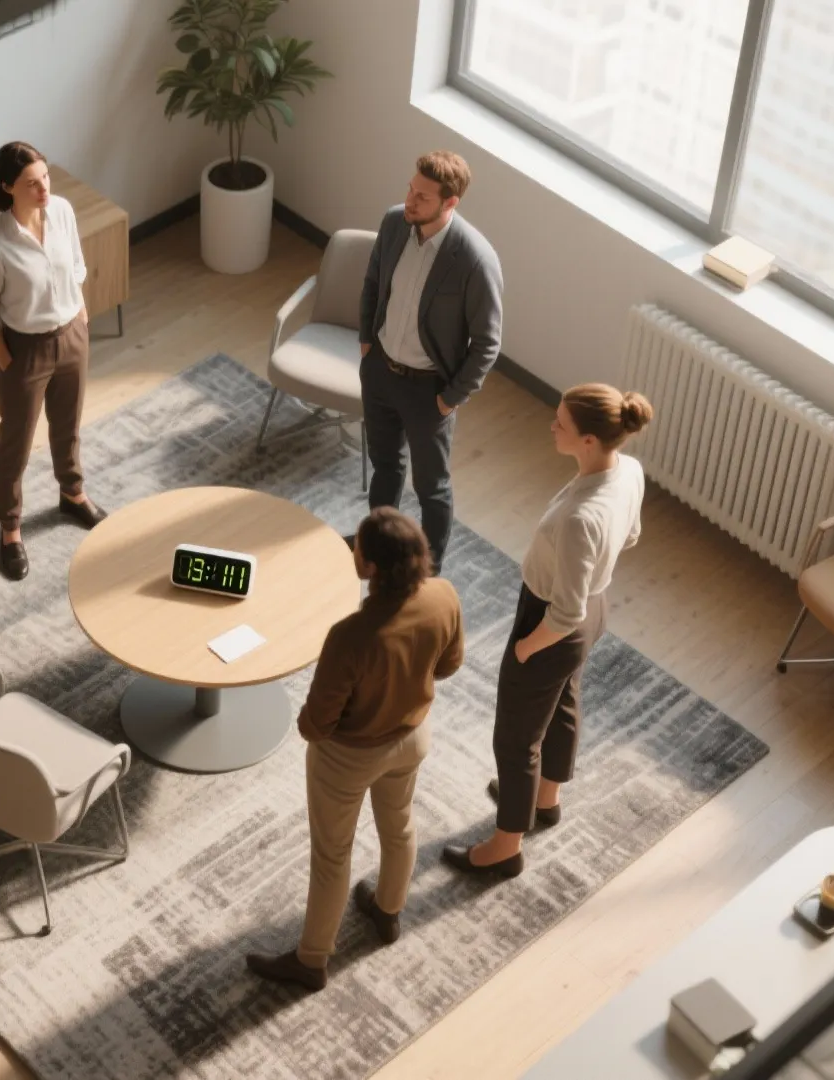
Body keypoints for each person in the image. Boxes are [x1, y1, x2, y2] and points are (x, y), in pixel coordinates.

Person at [246, 508, 465, 992]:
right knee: (399, 824)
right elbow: (449, 665)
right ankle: (388, 911)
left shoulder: (349, 636)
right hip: (412, 739)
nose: (353, 549)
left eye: (358, 546)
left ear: (370, 566)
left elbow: (315, 725)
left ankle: (311, 961)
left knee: (332, 855)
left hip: (348, 759)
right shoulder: (444, 595)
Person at [445, 384, 651, 877]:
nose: (552, 426)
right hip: (596, 609)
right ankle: (546, 799)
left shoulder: (581, 518)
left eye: (561, 422)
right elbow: (632, 535)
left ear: (588, 440)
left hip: (554, 621)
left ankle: (505, 848)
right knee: (562, 702)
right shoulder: (628, 471)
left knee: (516, 739)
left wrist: (526, 648)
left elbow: (565, 613)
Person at [357, 150, 504, 572]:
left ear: (450, 202)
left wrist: (450, 398)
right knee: (385, 466)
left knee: (431, 488)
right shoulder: (394, 223)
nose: (410, 200)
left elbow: (487, 342)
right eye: (411, 189)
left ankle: (428, 569)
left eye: (422, 196)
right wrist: (367, 342)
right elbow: (372, 283)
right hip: (381, 371)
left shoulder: (474, 259)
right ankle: (378, 549)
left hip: (429, 391)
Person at [0, 140, 109, 582]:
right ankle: (10, 528)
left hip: (71, 336)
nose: (44, 188)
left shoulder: (62, 212)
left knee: (68, 425)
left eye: (46, 177)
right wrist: (7, 360)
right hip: (24, 350)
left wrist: (81, 318)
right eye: (32, 183)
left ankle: (72, 493)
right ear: (8, 187)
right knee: (15, 441)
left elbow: (77, 269)